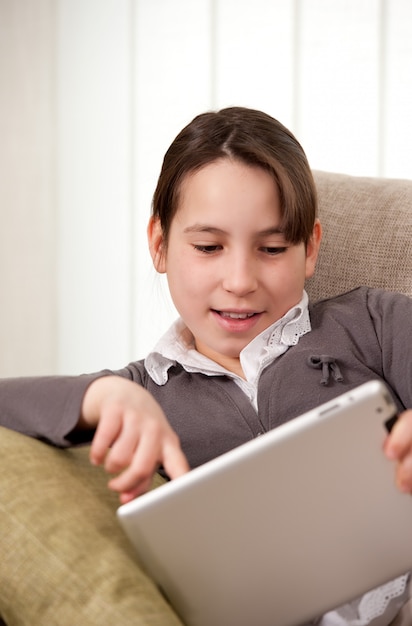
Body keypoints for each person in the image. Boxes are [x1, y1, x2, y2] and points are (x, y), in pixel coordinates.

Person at [1, 106, 412, 625]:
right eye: (208, 246)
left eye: (271, 247)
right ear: (160, 245)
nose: (239, 279)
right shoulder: (140, 397)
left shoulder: (370, 322)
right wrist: (98, 395)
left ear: (309, 249)